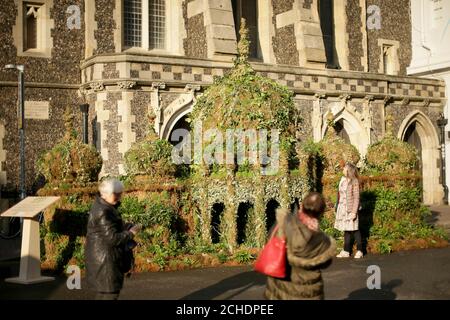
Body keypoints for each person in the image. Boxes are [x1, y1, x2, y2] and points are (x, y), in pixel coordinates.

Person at [265, 192, 336, 300]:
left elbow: (270, 240)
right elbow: (326, 262)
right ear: (321, 213)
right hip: (307, 292)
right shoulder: (322, 240)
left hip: (280, 287)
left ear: (302, 205)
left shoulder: (284, 223)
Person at [85, 178, 141, 300]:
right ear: (106, 194)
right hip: (106, 260)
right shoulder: (104, 211)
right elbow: (113, 238)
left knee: (104, 293)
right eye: (117, 194)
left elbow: (109, 228)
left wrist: (126, 226)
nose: (119, 196)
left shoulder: (102, 206)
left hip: (102, 257)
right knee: (110, 294)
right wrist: (131, 232)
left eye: (120, 193)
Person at [335, 163, 363, 259]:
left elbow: (356, 198)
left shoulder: (354, 181)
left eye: (345, 168)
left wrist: (354, 212)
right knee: (346, 229)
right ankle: (346, 251)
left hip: (351, 208)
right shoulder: (342, 180)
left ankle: (360, 250)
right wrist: (337, 207)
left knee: (355, 229)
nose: (343, 169)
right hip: (342, 208)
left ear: (349, 170)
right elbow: (339, 195)